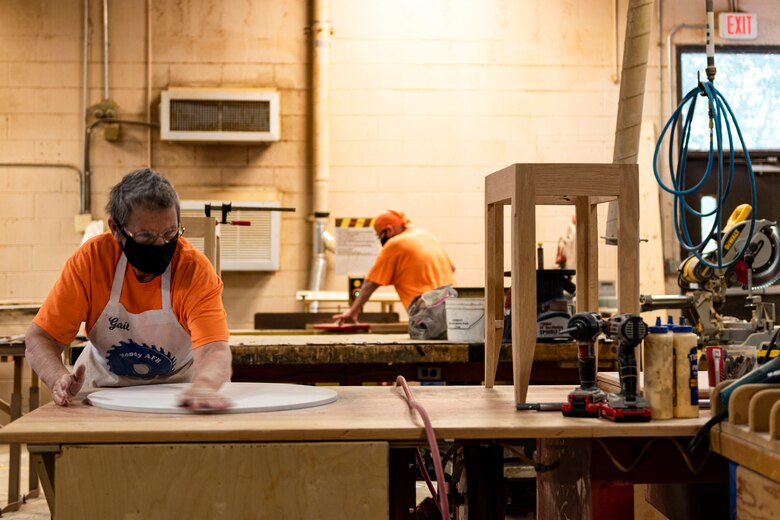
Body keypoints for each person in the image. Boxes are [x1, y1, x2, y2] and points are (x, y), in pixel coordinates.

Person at [25, 168, 232, 411]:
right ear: (116, 229)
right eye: (145, 236)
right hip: (102, 394)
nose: (160, 245)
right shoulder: (92, 262)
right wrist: (57, 377)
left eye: (170, 233)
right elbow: (41, 337)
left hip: (181, 395)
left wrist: (205, 385)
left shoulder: (193, 270)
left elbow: (214, 349)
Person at [333, 210, 455, 323]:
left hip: (426, 313)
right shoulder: (425, 235)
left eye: (379, 235)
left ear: (389, 230)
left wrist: (353, 311)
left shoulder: (394, 244)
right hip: (453, 307)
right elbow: (452, 267)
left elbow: (370, 283)